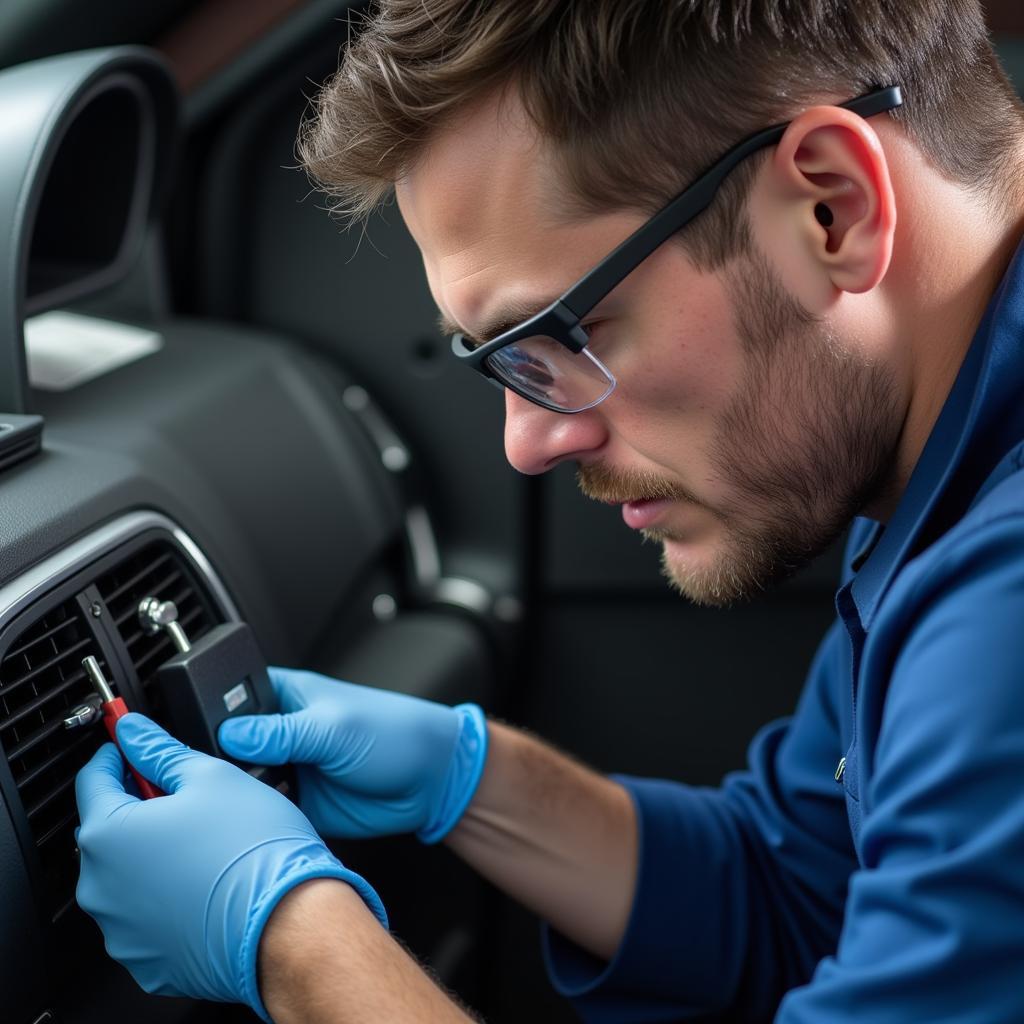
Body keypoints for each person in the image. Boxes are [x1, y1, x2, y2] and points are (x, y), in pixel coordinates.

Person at [74, 1, 1024, 1021]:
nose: (528, 442)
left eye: (558, 336)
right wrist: (472, 782)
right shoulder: (931, 455)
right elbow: (799, 893)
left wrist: (294, 942)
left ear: (832, 208)